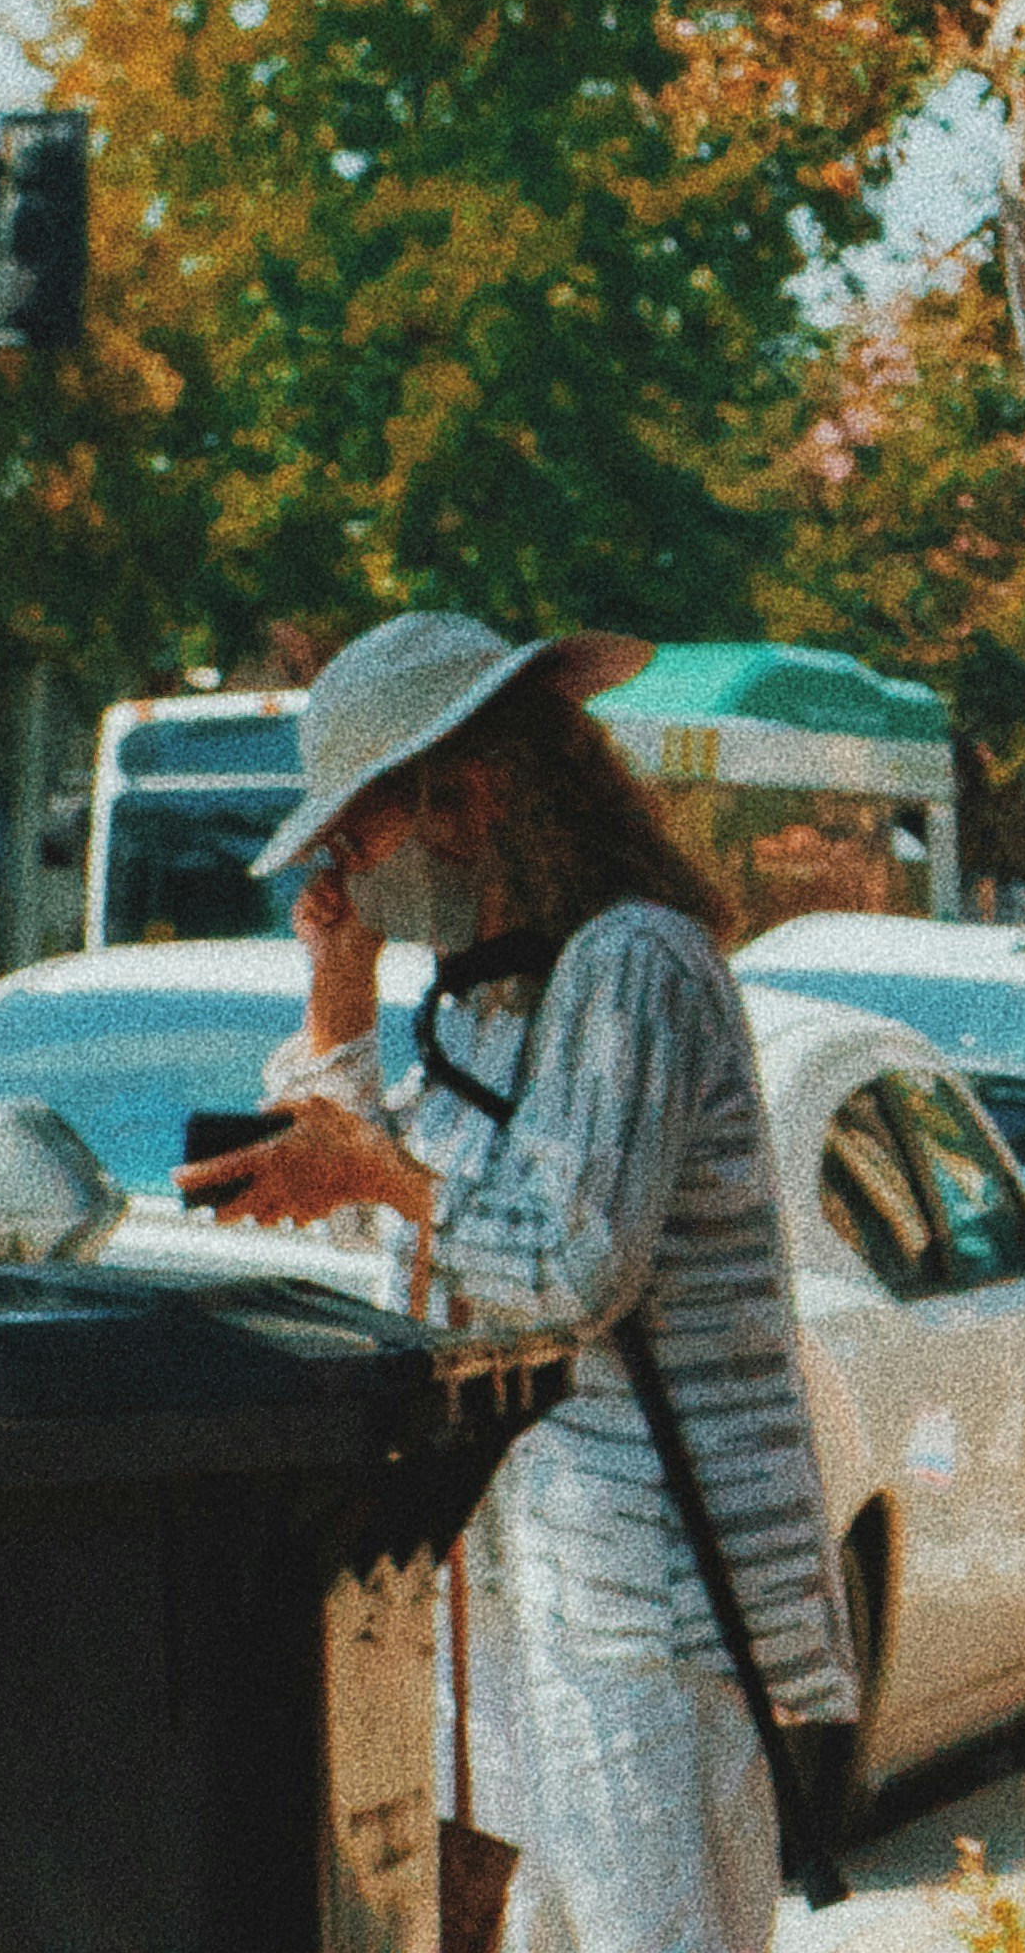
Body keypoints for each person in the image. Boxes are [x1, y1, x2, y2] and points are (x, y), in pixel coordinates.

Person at [185, 613, 853, 1953]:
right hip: (530, 1593)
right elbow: (424, 1256)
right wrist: (339, 999)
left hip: (651, 1601)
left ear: (464, 794)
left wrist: (373, 1168)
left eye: (354, 833)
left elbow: (567, 1264)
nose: (342, 867)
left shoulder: (633, 967)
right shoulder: (498, 999)